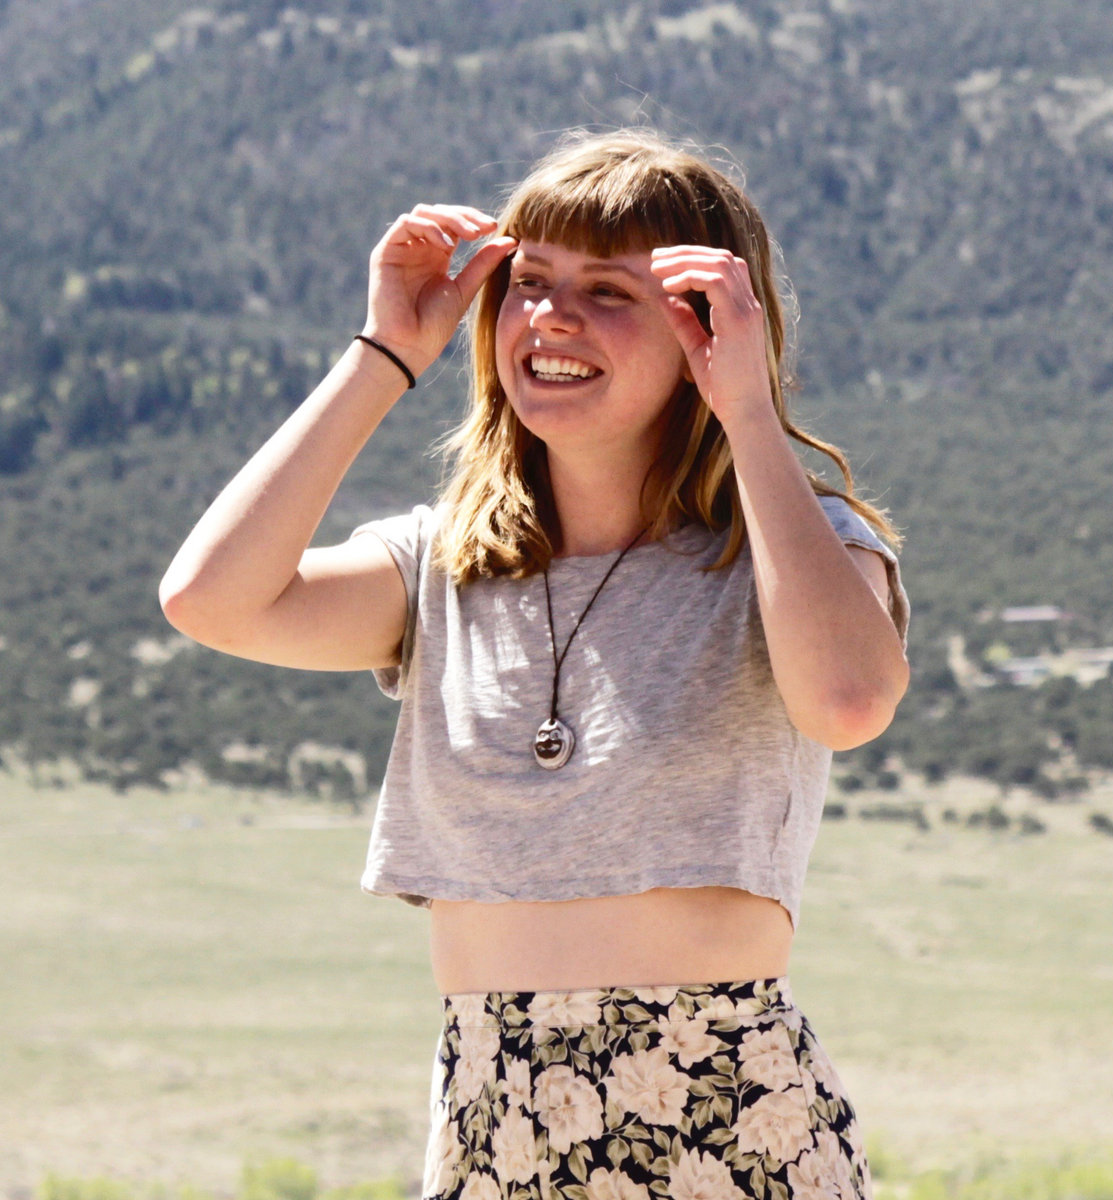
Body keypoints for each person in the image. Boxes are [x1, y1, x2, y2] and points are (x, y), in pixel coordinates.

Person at [160, 128, 909, 1200]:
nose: (552, 316)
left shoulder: (795, 547)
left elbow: (848, 700)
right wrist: (385, 353)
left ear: (708, 329)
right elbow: (208, 600)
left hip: (727, 1122)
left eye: (609, 291)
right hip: (492, 1126)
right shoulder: (442, 566)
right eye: (529, 282)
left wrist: (746, 409)